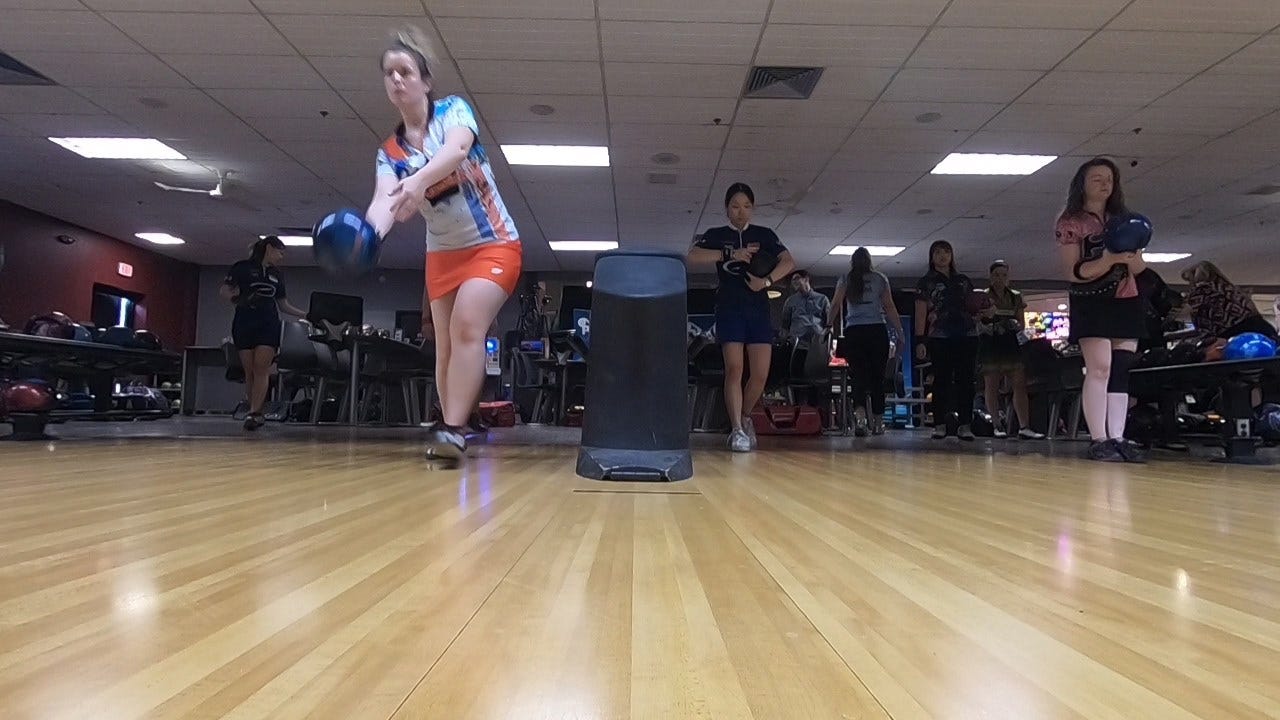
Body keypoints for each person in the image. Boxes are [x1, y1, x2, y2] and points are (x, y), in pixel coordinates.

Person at [363, 28, 522, 462]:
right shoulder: (389, 152)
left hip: (494, 245)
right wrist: (368, 237)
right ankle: (456, 419)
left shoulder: (453, 111)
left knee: (468, 327)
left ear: (425, 81)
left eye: (406, 71)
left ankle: (451, 429)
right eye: (389, 74)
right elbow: (384, 201)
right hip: (443, 255)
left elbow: (455, 152)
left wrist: (415, 182)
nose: (397, 80)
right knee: (447, 346)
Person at [688, 182, 795, 453]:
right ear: (727, 209)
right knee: (735, 369)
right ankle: (736, 430)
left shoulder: (765, 234)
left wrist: (767, 281)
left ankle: (745, 416)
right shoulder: (716, 234)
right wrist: (728, 253)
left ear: (753, 208)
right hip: (729, 306)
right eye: (735, 206)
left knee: (760, 374)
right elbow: (693, 255)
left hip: (758, 307)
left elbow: (789, 262)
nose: (740, 212)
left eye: (746, 206)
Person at [1055, 158, 1147, 463]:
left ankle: (1118, 436)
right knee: (1100, 368)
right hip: (1091, 300)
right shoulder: (1071, 222)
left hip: (1126, 299)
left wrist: (1130, 255)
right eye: (1096, 178)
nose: (1104, 184)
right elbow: (1072, 271)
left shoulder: (1123, 220)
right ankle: (1098, 438)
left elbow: (1137, 265)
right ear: (1082, 182)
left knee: (1121, 370)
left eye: (1109, 179)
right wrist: (1108, 260)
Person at [218, 236, 307, 430]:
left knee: (261, 367)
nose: (281, 257)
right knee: (249, 370)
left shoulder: (276, 274)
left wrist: (306, 314)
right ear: (269, 248)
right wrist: (238, 298)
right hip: (244, 322)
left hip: (268, 323)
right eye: (280, 252)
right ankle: (253, 408)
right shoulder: (242, 267)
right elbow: (225, 291)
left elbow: (283, 305)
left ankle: (255, 412)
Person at [829, 247, 904, 436]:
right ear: (869, 261)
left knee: (858, 376)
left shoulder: (846, 278)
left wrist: (828, 324)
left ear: (852, 262)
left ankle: (860, 419)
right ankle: (878, 423)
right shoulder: (880, 278)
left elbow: (836, 304)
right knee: (878, 377)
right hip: (876, 330)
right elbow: (889, 306)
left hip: (854, 331)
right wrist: (899, 330)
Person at [914, 240, 980, 440]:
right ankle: (940, 424)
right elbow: (920, 312)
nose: (942, 256)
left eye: (946, 252)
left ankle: (965, 424)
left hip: (967, 334)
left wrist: (982, 313)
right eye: (938, 252)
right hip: (940, 335)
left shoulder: (963, 281)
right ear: (931, 257)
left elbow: (973, 306)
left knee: (966, 381)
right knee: (941, 380)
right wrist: (920, 340)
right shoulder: (926, 282)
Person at [978, 261, 1044, 440]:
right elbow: (978, 321)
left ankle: (1024, 426)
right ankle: (996, 425)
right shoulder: (982, 297)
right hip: (990, 343)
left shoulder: (1016, 297)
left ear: (1009, 278)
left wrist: (1014, 326)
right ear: (991, 277)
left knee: (1019, 384)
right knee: (992, 385)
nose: (1000, 278)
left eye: (1004, 275)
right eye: (997, 275)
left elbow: (1021, 324)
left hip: (1010, 343)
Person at [1180, 261, 1278, 342]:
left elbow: (1202, 322)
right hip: (1262, 328)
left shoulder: (1200, 293)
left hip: (1235, 335)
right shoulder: (1231, 288)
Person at [781, 270, 830, 343]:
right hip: (796, 343)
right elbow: (785, 325)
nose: (794, 282)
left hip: (817, 343)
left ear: (806, 279)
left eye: (796, 278)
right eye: (792, 280)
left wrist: (826, 338)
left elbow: (829, 322)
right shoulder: (790, 301)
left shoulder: (822, 299)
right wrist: (783, 342)